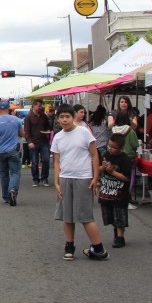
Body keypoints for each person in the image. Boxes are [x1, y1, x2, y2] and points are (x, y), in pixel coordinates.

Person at [51, 104, 107, 261]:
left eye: (67, 116)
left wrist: (95, 177)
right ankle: (69, 247)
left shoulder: (84, 132)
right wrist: (56, 181)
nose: (64, 120)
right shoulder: (58, 137)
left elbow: (95, 155)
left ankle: (98, 248)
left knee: (85, 216)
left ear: (72, 117)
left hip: (83, 178)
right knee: (67, 215)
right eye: (61, 117)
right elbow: (56, 161)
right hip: (65, 178)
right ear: (58, 119)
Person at [97, 133, 133, 249]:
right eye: (109, 146)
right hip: (107, 191)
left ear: (121, 148)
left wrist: (113, 172)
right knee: (109, 215)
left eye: (113, 147)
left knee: (120, 216)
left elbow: (127, 178)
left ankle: (120, 237)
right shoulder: (107, 155)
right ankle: (116, 230)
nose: (110, 149)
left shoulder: (125, 159)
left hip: (120, 193)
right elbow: (98, 169)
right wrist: (103, 167)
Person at [0, 100, 25, 206]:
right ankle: (13, 189)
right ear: (9, 108)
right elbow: (22, 134)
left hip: (1, 151)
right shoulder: (17, 120)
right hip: (13, 150)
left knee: (4, 174)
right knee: (15, 172)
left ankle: (6, 196)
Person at [24, 101, 52, 188]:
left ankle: (44, 178)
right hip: (34, 142)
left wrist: (48, 131)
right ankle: (35, 179)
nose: (40, 107)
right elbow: (26, 131)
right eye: (39, 106)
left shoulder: (44, 116)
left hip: (44, 141)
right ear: (34, 106)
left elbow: (48, 126)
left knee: (46, 160)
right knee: (35, 162)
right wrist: (29, 142)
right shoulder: (29, 117)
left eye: (41, 106)